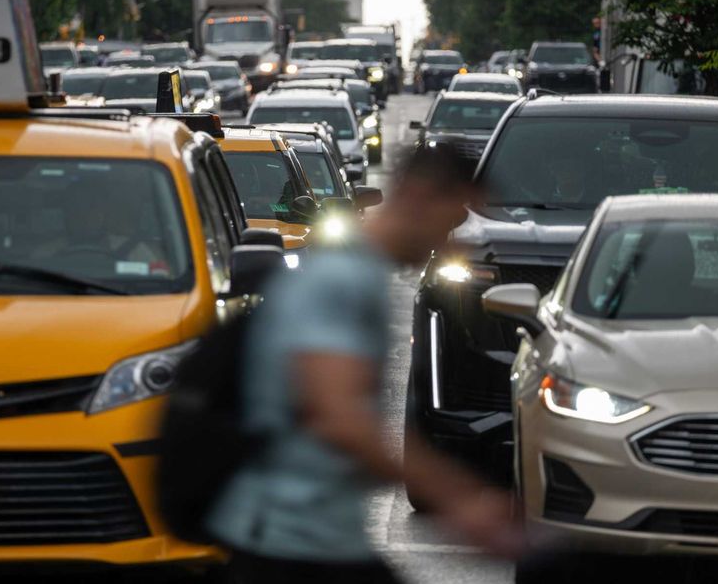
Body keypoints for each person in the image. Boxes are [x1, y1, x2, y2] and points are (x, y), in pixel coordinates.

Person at [206, 145, 522, 584]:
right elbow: (338, 418)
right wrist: (461, 500)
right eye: (451, 221)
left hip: (316, 535)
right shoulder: (342, 277)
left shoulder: (357, 271)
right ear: (417, 196)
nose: (449, 240)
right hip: (285, 540)